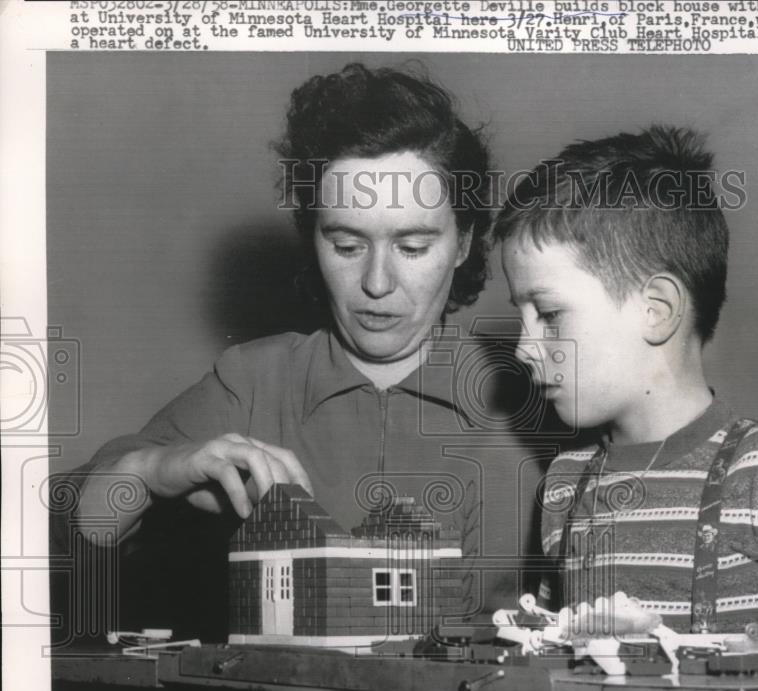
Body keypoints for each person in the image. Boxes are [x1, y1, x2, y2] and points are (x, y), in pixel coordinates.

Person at [54, 63, 540, 643]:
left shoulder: (539, 386)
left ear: (462, 242)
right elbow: (62, 534)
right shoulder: (253, 381)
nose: (377, 283)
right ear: (311, 238)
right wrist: (152, 469)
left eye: (412, 245)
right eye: (346, 244)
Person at [494, 125, 758, 655]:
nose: (524, 348)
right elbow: (547, 658)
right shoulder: (564, 486)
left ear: (656, 310)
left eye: (547, 314)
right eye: (521, 317)